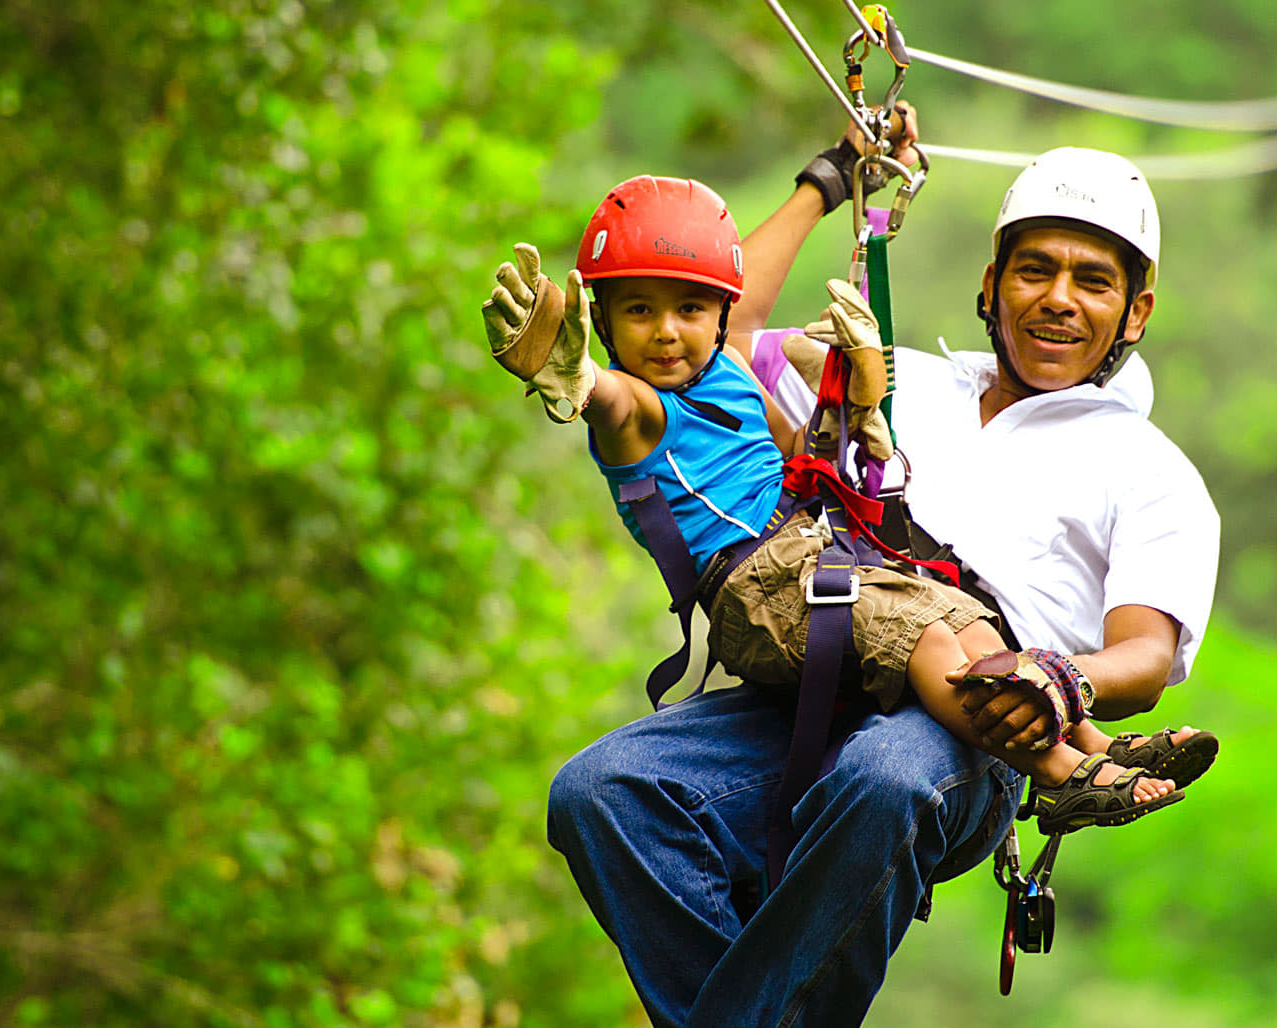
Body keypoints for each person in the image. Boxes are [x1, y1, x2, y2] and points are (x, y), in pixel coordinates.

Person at [533, 124, 1220, 1028]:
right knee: (604, 793)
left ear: (1135, 310)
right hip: (817, 662)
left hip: (977, 725)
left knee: (885, 776)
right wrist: (826, 182)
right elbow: (714, 336)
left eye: (1092, 282)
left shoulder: (1148, 470)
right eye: (1035, 271)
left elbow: (1143, 657)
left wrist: (1058, 680)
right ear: (991, 285)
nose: (1058, 298)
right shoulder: (901, 378)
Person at [482, 174, 1181, 833]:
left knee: (963, 625)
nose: (666, 331)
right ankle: (1061, 774)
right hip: (762, 581)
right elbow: (609, 399)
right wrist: (579, 377)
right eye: (639, 311)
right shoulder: (640, 404)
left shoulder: (727, 372)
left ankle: (1098, 748)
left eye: (689, 309)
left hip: (823, 561)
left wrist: (851, 406)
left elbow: (791, 446)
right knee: (924, 644)